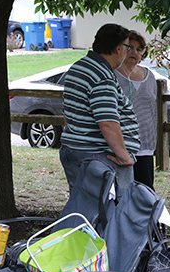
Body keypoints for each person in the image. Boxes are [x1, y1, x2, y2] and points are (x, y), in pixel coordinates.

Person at [59, 23, 140, 193]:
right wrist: (124, 157)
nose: (127, 53)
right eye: (127, 47)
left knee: (83, 210)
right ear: (118, 49)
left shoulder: (79, 67)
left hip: (76, 150)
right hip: (99, 156)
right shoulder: (101, 77)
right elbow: (108, 122)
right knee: (113, 212)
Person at [116, 30, 157, 190]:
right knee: (122, 191)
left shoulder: (149, 76)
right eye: (130, 48)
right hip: (122, 144)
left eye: (139, 49)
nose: (134, 52)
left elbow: (153, 109)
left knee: (145, 191)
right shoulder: (113, 75)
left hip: (146, 143)